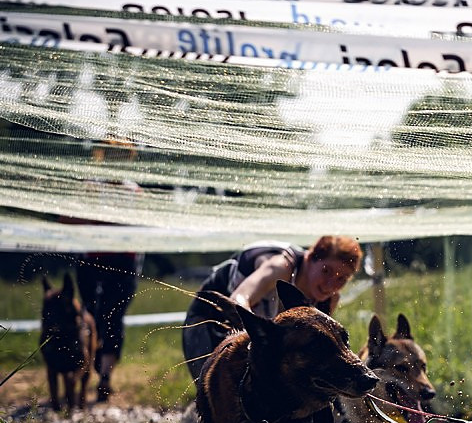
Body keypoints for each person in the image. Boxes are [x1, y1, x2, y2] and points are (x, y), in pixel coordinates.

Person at [182, 236, 362, 381]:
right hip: (208, 319)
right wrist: (261, 333)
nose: (331, 284)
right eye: (326, 271)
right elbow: (238, 299)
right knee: (220, 392)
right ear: (309, 258)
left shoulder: (328, 301)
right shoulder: (281, 267)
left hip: (247, 333)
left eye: (342, 279)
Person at [61, 137, 145, 402]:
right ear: (102, 158)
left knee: (114, 318)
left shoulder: (135, 192)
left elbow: (143, 228)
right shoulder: (89, 187)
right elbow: (67, 220)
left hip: (124, 263)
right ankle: (83, 370)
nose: (116, 161)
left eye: (121, 157)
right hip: (92, 261)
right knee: (90, 316)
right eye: (111, 156)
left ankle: (104, 378)